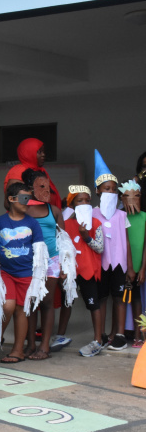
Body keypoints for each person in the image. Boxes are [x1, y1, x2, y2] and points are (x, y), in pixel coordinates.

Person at [0, 182, 48, 364]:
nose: (27, 202)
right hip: (5, 273)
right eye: (23, 198)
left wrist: (38, 277)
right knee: (7, 306)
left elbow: (39, 251)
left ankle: (18, 350)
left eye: (29, 198)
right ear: (11, 199)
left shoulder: (33, 223)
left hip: (27, 274)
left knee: (22, 311)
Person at [21, 169, 65, 360]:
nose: (46, 189)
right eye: (40, 185)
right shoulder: (22, 207)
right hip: (28, 260)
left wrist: (64, 265)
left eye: (46, 185)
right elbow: (9, 204)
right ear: (30, 187)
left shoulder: (54, 211)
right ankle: (30, 344)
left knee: (46, 303)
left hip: (52, 260)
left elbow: (63, 240)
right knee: (30, 302)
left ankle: (44, 346)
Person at [93, 150, 134, 351]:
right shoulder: (91, 214)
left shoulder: (120, 215)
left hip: (119, 263)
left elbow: (126, 242)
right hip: (99, 264)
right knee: (101, 298)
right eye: (106, 188)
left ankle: (118, 334)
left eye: (113, 189)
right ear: (98, 191)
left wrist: (131, 267)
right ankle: (99, 334)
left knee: (119, 298)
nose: (110, 192)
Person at [61, 186, 106, 357]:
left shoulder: (96, 223)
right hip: (71, 270)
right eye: (80, 200)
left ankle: (97, 340)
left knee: (93, 304)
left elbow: (100, 248)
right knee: (67, 301)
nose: (85, 203)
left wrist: (86, 236)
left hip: (88, 269)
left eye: (88, 200)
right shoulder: (65, 224)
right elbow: (62, 247)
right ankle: (60, 335)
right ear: (72, 204)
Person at [118, 180, 146, 347]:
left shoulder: (144, 217)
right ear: (122, 198)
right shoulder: (120, 216)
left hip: (139, 264)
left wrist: (142, 267)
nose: (132, 199)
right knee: (119, 299)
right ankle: (119, 333)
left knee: (137, 299)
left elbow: (145, 245)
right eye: (128, 196)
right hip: (123, 265)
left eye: (136, 195)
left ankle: (138, 334)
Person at [4, 138, 61, 208]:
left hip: (44, 214)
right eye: (39, 152)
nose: (43, 155)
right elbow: (10, 202)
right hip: (28, 217)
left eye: (43, 152)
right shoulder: (18, 171)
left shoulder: (41, 170)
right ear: (28, 152)